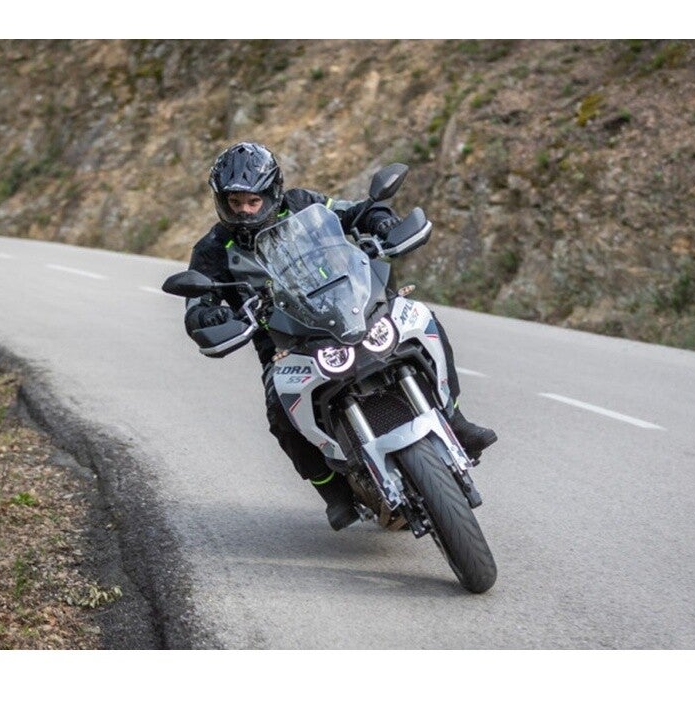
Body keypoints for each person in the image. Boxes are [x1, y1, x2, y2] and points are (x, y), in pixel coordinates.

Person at [182, 141, 497, 530]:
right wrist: (209, 313)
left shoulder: (303, 204)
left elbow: (354, 212)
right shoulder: (212, 249)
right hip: (286, 344)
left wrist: (380, 221)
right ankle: (333, 492)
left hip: (350, 308)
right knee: (279, 409)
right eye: (235, 202)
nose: (245, 210)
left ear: (272, 192)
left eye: (253, 200)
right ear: (222, 201)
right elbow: (196, 306)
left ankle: (455, 418)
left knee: (421, 319)